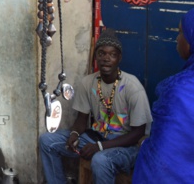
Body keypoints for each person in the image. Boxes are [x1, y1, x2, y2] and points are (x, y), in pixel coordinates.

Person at [39, 29, 152, 184]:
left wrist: (100, 146)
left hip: (127, 146)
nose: (106, 58)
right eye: (101, 53)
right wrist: (74, 134)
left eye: (112, 54)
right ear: (96, 57)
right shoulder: (88, 82)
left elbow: (138, 133)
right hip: (96, 138)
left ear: (119, 58)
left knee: (100, 160)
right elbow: (82, 118)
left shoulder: (132, 87)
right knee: (47, 141)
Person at [132, 8, 194, 183]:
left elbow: (163, 160)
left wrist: (145, 145)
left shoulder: (179, 91)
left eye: (181, 32)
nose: (177, 38)